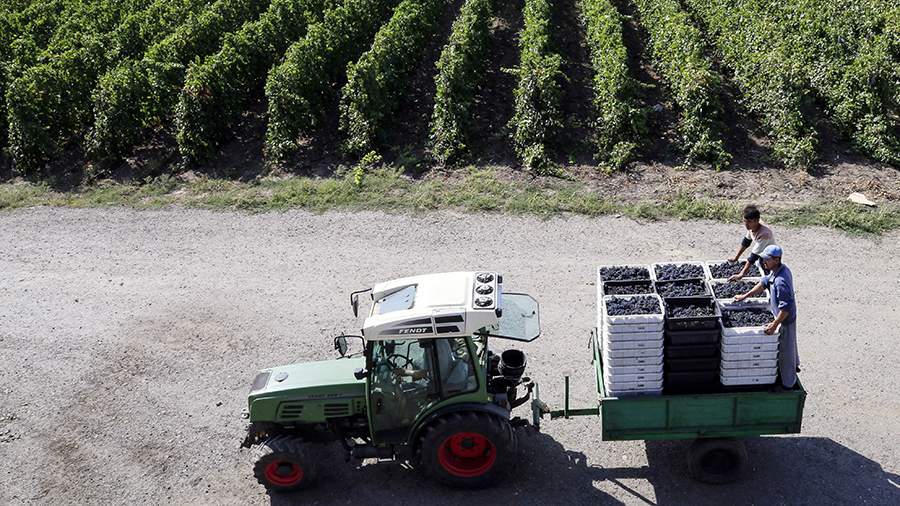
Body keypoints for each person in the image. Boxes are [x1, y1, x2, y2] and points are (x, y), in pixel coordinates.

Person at [734, 244, 798, 389]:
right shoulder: (777, 270)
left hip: (785, 321)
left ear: (776, 259)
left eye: (767, 259)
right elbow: (763, 283)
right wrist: (745, 296)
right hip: (780, 316)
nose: (764, 262)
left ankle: (788, 383)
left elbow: (786, 307)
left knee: (785, 352)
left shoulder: (781, 281)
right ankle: (794, 367)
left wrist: (775, 324)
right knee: (788, 347)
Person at [728, 205, 776, 281]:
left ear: (756, 221)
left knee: (768, 279)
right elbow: (746, 242)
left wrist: (741, 274)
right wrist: (736, 258)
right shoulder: (752, 227)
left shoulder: (764, 234)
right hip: (762, 256)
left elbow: (753, 257)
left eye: (749, 222)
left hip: (771, 260)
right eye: (745, 221)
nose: (746, 225)